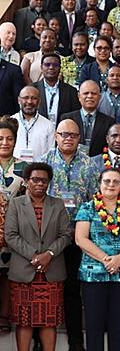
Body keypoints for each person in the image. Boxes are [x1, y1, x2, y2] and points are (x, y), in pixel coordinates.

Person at [40, 119, 98, 351]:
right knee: (44, 289)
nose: (68, 138)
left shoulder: (90, 164)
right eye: (63, 134)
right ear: (56, 136)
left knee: (74, 290)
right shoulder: (45, 161)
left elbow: (96, 201)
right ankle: (39, 341)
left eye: (73, 135)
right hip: (48, 236)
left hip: (78, 236)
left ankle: (76, 342)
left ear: (79, 138)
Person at [5, 162, 71, 351]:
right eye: (35, 179)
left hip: (51, 271)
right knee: (24, 321)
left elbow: (66, 235)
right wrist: (35, 256)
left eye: (44, 180)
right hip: (24, 272)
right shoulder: (16, 204)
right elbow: (10, 235)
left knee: (49, 321)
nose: (40, 184)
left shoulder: (57, 204)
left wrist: (49, 254)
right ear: (26, 181)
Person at [75, 168, 120, 351]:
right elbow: (80, 239)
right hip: (93, 275)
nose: (111, 185)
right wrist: (106, 259)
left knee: (118, 325)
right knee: (94, 326)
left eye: (115, 182)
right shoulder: (87, 207)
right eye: (107, 181)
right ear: (100, 183)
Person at [0, 117, 28, 333]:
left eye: (10, 139)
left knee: (7, 275)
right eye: (0, 139)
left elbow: (29, 199)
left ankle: (4, 316)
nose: (5, 143)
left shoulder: (23, 167)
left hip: (11, 231)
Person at [61, 79, 115, 157]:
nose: (89, 96)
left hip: (99, 165)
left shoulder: (109, 122)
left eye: (93, 93)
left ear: (99, 97)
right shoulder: (67, 119)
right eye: (86, 93)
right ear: (79, 96)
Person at [34, 53, 81, 126]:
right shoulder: (32, 89)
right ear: (41, 67)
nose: (51, 67)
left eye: (55, 65)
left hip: (63, 133)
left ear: (60, 68)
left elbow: (76, 115)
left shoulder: (71, 91)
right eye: (47, 64)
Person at [12, 85, 55, 162]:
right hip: (12, 170)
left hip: (39, 170)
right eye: (26, 98)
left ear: (39, 101)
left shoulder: (48, 125)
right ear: (19, 100)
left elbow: (51, 154)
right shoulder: (10, 122)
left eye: (34, 98)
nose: (29, 102)